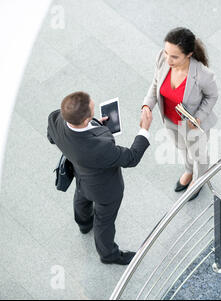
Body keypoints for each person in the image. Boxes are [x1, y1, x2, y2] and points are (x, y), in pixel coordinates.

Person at [47, 91, 152, 265]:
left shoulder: (56, 118)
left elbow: (52, 137)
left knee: (81, 197)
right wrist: (144, 129)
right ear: (86, 120)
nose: (94, 109)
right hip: (105, 190)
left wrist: (95, 125)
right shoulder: (99, 148)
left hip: (81, 175)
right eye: (92, 111)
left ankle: (84, 224)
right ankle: (108, 255)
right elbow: (131, 158)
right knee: (104, 222)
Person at [142, 27, 218, 201]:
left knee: (198, 153)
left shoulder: (202, 75)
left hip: (192, 124)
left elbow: (212, 95)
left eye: (174, 56)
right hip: (170, 120)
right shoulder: (162, 58)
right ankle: (189, 171)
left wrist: (199, 116)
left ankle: (199, 179)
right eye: (167, 52)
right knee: (182, 148)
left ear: (189, 54)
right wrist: (147, 105)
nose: (168, 59)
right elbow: (156, 84)